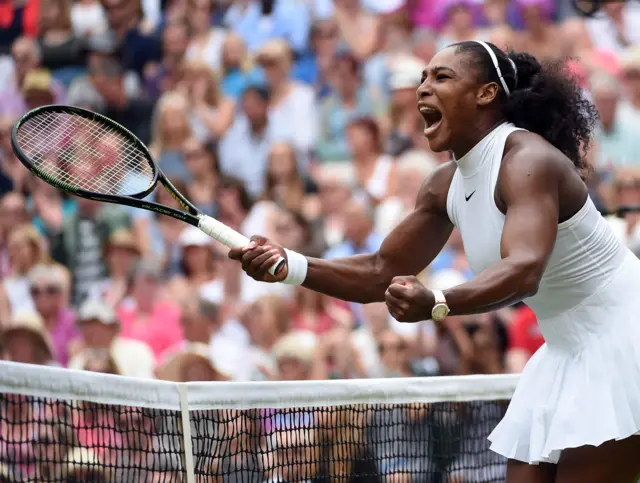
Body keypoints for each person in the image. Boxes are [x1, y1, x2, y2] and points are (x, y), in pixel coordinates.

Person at [230, 40, 640, 482]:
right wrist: (288, 265)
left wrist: (438, 302)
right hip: (567, 348)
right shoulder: (443, 185)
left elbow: (524, 270)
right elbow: (378, 272)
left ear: (485, 93)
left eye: (442, 77)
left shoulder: (528, 161)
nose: (423, 88)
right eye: (423, 77)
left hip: (624, 335)